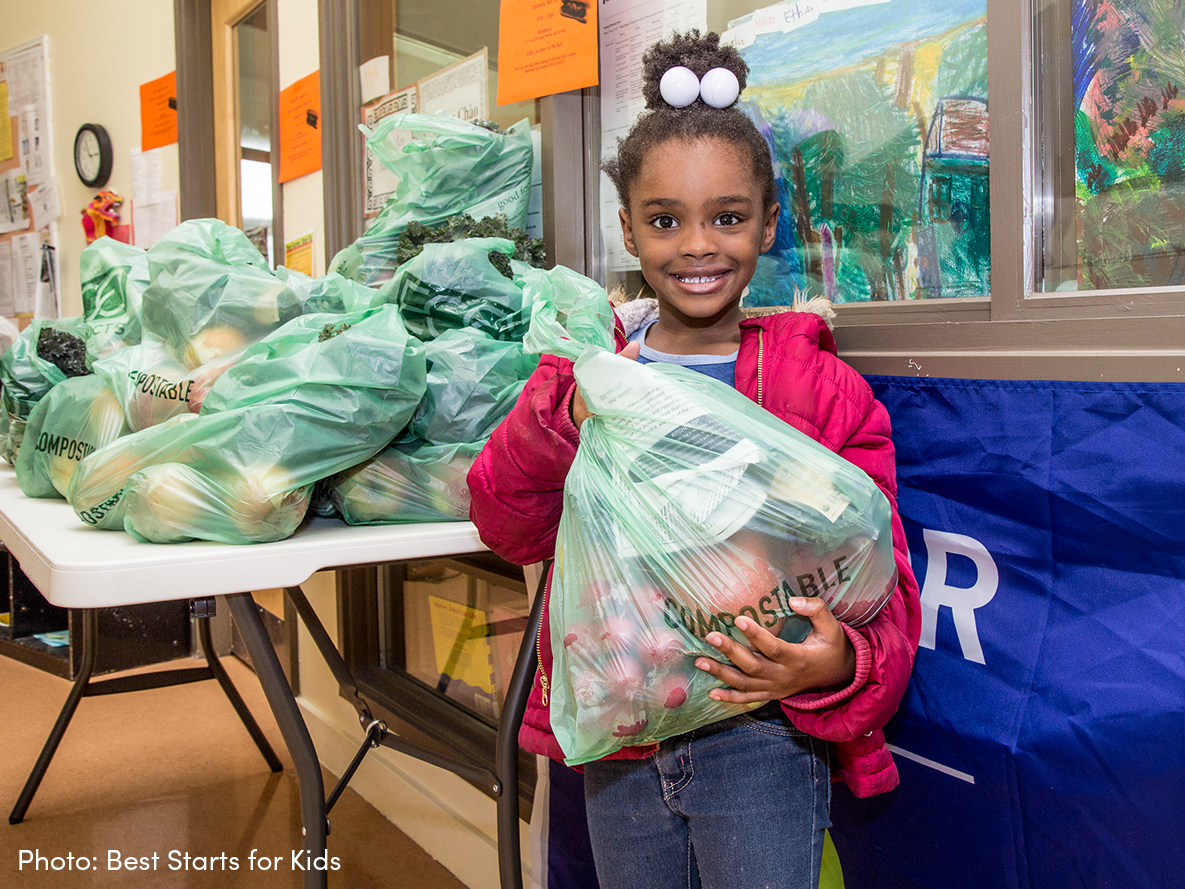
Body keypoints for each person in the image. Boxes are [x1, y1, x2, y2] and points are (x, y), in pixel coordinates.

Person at [468, 30, 921, 889]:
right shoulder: (586, 371)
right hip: (625, 733)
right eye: (665, 220)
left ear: (768, 224)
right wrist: (562, 413)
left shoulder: (817, 389)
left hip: (763, 732)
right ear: (628, 230)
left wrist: (840, 665)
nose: (697, 246)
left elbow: (876, 573)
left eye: (727, 216)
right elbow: (504, 521)